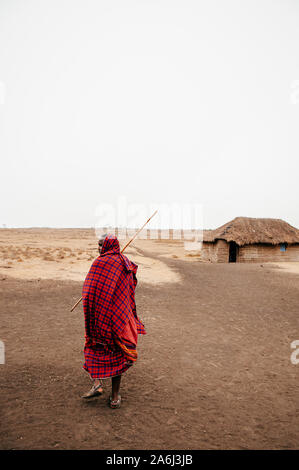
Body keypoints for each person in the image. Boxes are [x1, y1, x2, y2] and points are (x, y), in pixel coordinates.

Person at [81, 233, 146, 408]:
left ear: (109, 245)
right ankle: (108, 391)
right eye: (98, 244)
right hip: (119, 318)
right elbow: (131, 285)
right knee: (114, 355)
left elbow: (87, 292)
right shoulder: (124, 262)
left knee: (100, 349)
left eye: (101, 245)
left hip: (102, 318)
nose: (99, 248)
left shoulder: (100, 263)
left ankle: (103, 387)